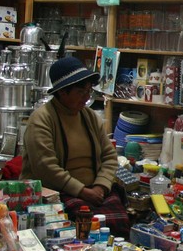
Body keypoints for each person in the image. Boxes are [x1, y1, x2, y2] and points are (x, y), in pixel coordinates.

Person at [21, 56, 130, 237]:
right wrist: (83, 191)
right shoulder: (42, 119)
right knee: (85, 226)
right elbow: (46, 168)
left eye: (89, 91)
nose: (87, 97)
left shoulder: (90, 117)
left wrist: (101, 187)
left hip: (94, 190)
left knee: (119, 222)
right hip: (58, 192)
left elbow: (109, 157)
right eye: (81, 92)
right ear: (63, 92)